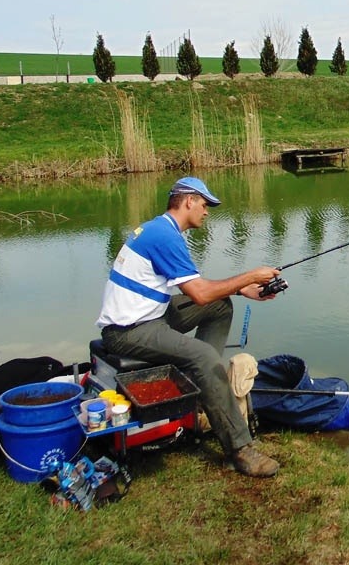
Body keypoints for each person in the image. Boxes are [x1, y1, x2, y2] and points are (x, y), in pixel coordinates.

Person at [95, 176, 283, 478]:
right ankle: (240, 449)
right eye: (204, 204)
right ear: (188, 201)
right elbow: (199, 292)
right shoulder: (164, 236)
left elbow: (203, 293)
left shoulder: (160, 229)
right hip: (128, 330)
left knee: (220, 307)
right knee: (203, 357)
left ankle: (206, 393)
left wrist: (239, 290)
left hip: (149, 315)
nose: (207, 211)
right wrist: (250, 277)